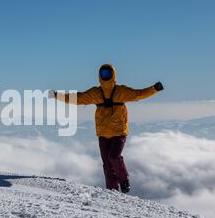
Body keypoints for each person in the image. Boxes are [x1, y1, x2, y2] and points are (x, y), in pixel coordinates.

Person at [48, 64, 164, 193]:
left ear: (113, 75)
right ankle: (112, 190)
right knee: (107, 165)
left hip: (119, 133)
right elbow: (77, 98)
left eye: (108, 74)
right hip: (103, 134)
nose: (106, 76)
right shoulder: (95, 93)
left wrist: (154, 89)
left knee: (114, 157)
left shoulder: (121, 92)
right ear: (99, 76)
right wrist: (57, 95)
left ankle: (124, 180)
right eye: (103, 74)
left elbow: (138, 94)